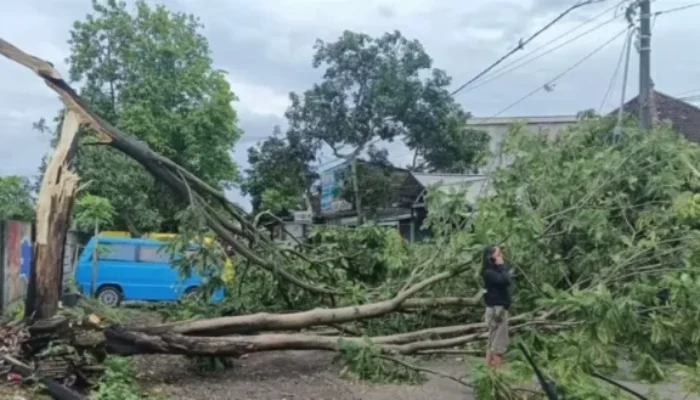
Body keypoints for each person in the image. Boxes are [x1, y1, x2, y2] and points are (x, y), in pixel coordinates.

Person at [482, 245, 512, 367]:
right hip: (497, 310)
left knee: (492, 342)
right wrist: (501, 265)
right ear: (491, 257)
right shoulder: (489, 273)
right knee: (498, 345)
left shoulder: (493, 271)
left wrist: (500, 267)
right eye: (498, 254)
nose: (501, 257)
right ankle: (499, 377)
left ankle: (486, 373)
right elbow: (506, 280)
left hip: (497, 309)